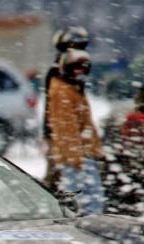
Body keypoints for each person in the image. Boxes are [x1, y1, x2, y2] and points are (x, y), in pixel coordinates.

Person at [45, 47, 104, 214]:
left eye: (83, 70)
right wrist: (75, 157)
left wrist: (95, 149)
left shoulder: (74, 88)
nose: (79, 74)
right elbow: (65, 129)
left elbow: (85, 124)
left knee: (91, 199)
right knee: (86, 203)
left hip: (82, 153)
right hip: (75, 157)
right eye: (76, 70)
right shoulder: (63, 91)